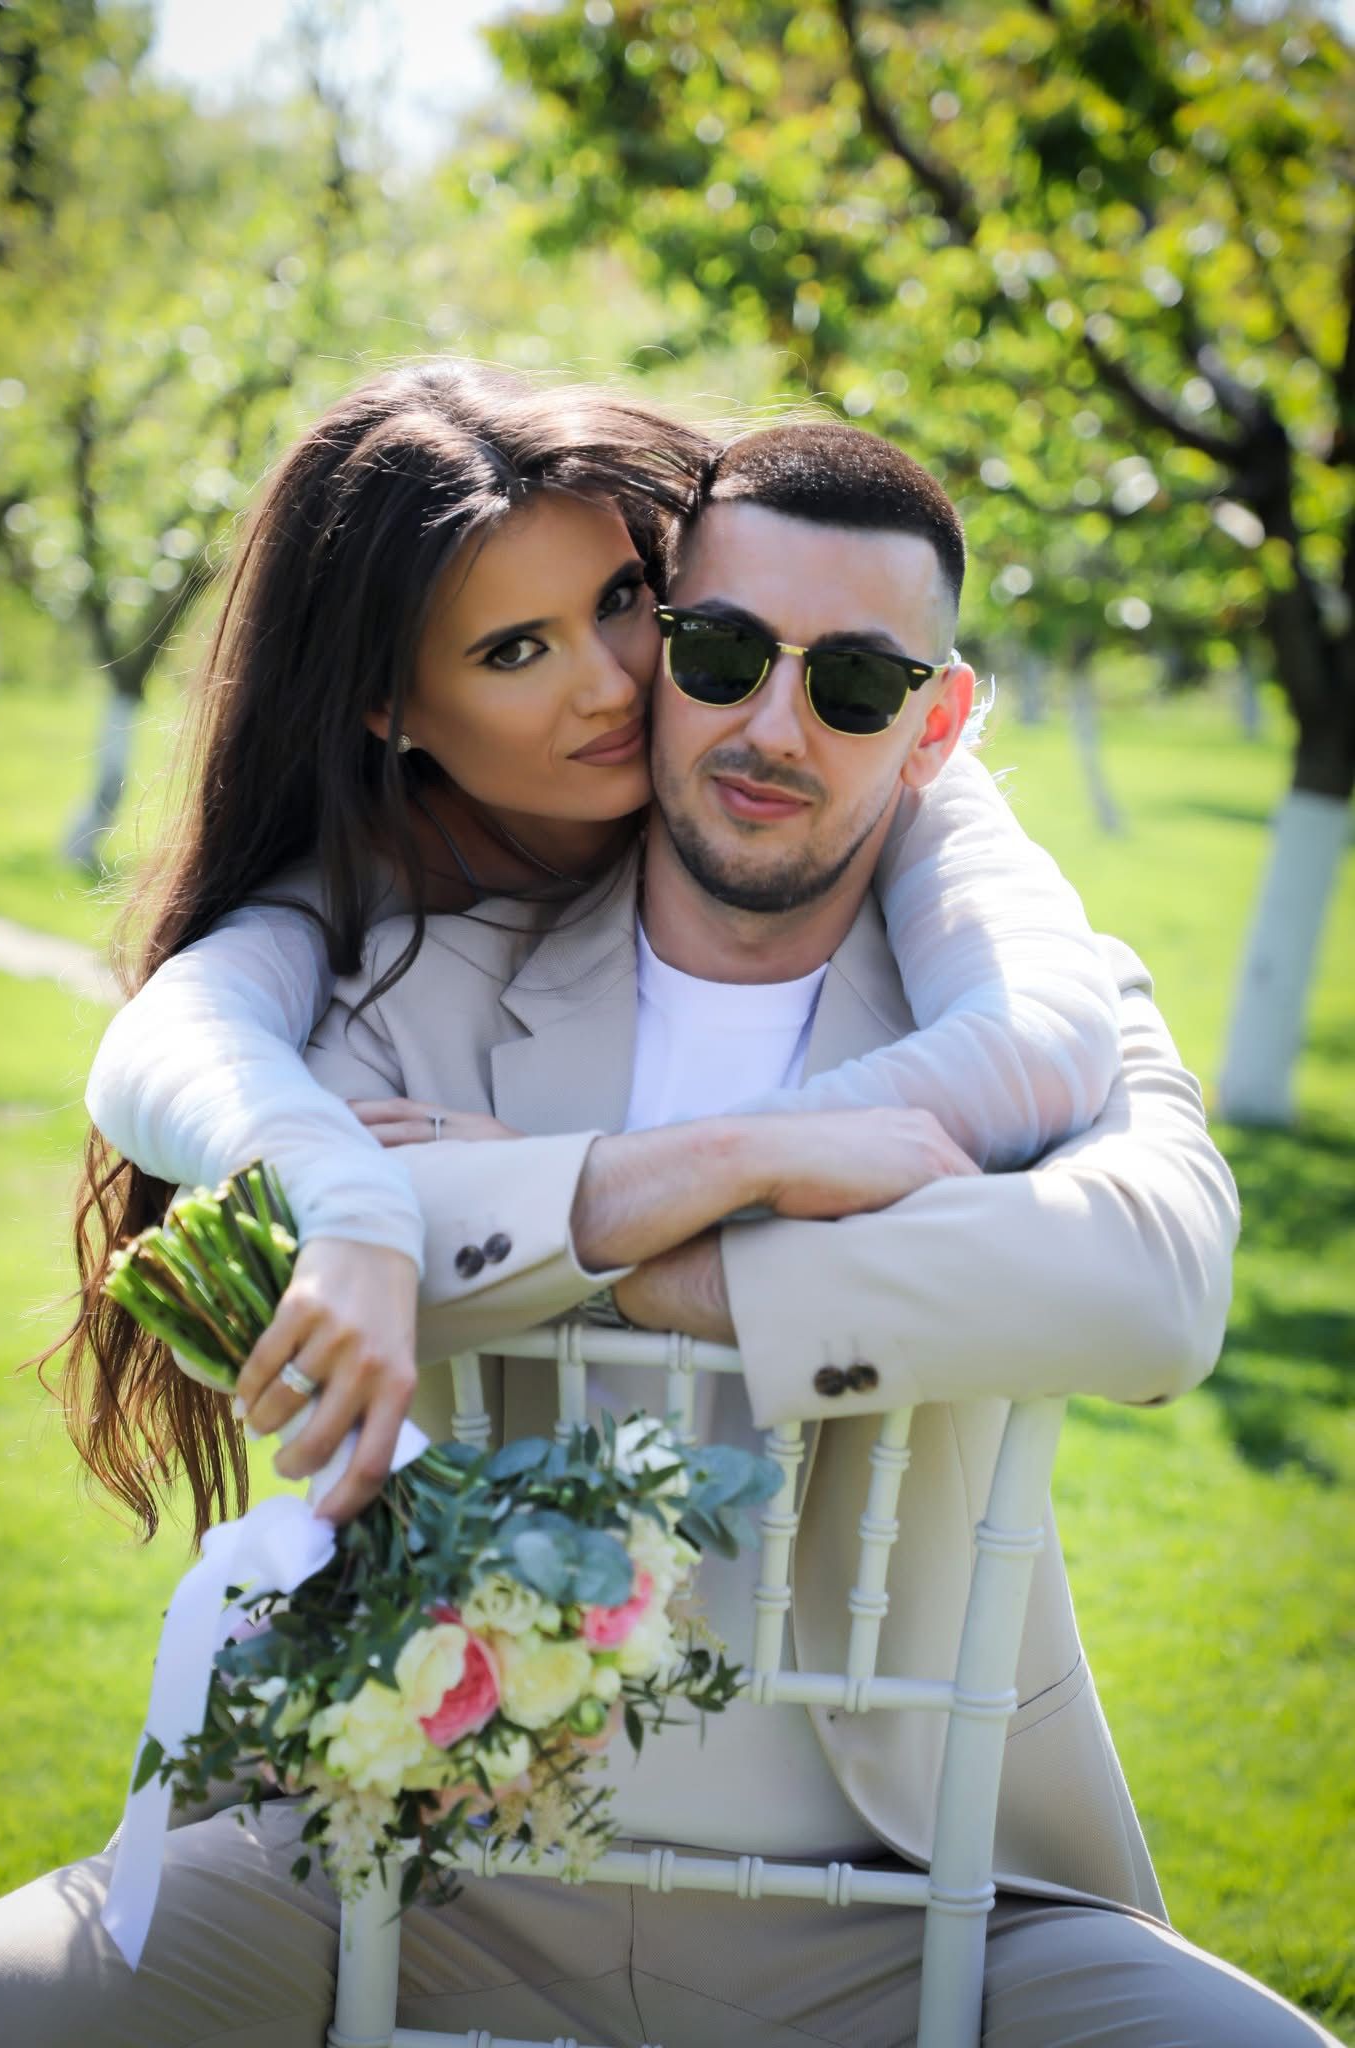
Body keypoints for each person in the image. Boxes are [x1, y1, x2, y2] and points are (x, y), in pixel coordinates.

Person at [0, 425, 1318, 2048]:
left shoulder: (1037, 991)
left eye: (855, 685)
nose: (770, 725)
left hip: (913, 1896)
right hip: (399, 1862)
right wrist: (684, 1171)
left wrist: (666, 1265)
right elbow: (286, 1220)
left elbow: (1152, 1283)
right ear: (660, 658)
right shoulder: (417, 979)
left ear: (937, 721)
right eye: (719, 654)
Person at [75, 358, 1120, 1537]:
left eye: (622, 598)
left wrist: (637, 1185)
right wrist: (356, 1206)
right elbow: (171, 1042)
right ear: (389, 708)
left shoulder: (876, 783)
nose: (615, 683)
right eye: (513, 651)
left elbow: (1041, 1042)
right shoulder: (375, 879)